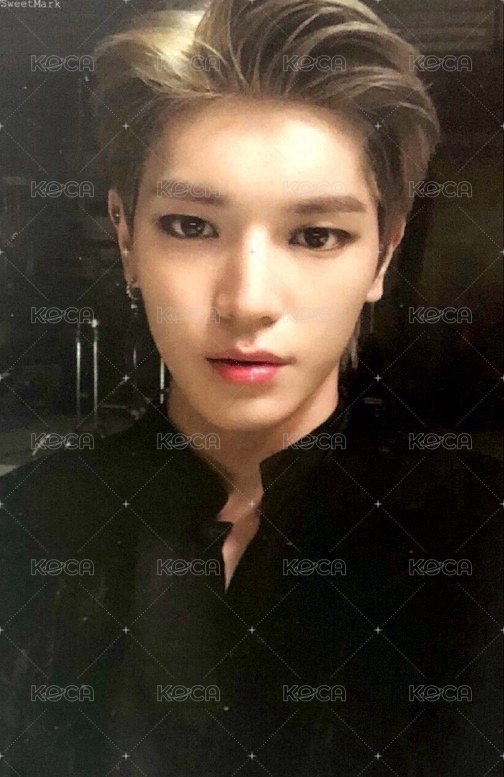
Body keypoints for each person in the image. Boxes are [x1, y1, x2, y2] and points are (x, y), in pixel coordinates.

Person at [0, 1, 501, 775]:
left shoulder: (483, 542)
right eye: (191, 226)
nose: (247, 300)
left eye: (316, 235)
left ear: (382, 253)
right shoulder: (24, 524)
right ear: (126, 235)